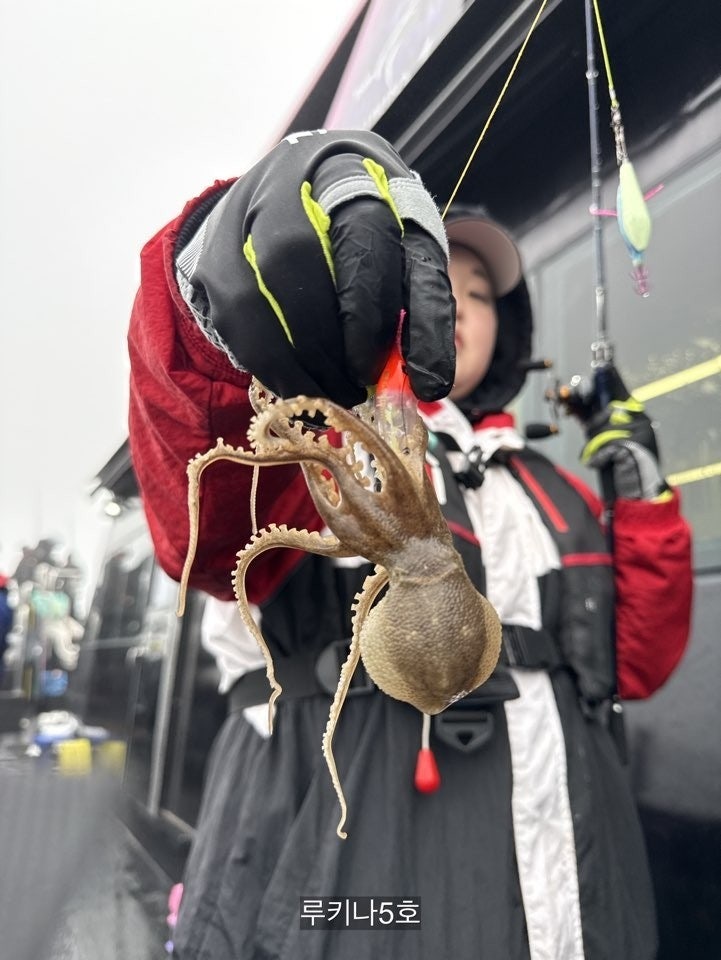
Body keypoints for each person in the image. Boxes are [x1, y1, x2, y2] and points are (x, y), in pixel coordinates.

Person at [127, 129, 692, 959]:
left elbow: (636, 663)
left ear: (509, 324)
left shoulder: (554, 489)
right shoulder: (324, 447)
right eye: (441, 280)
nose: (460, 307)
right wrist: (210, 281)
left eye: (483, 293)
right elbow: (203, 517)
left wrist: (641, 497)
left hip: (581, 881)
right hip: (359, 887)